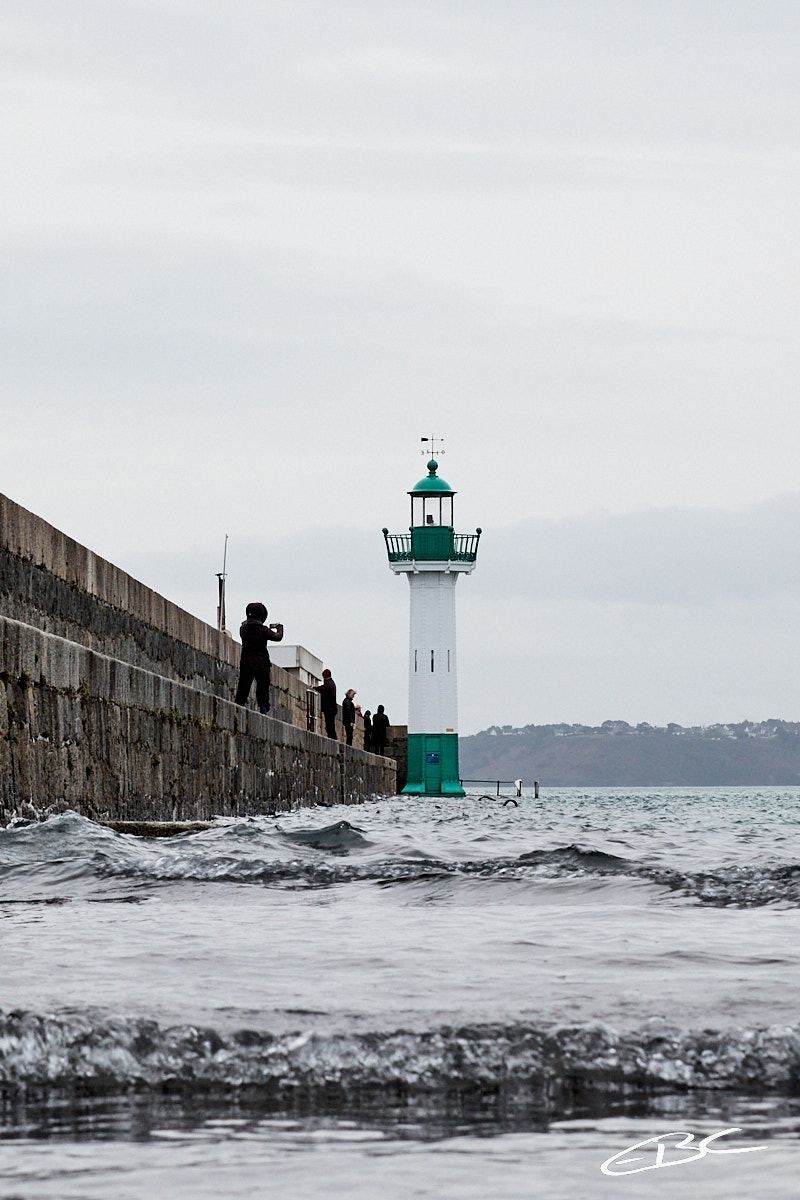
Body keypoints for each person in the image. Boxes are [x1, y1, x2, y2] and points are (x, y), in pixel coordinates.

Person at [235, 602, 283, 714]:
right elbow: (277, 637)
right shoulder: (263, 629)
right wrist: (280, 628)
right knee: (262, 687)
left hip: (246, 661)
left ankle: (238, 706)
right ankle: (263, 708)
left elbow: (244, 626)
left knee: (243, 686)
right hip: (261, 662)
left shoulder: (243, 628)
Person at [314, 669, 337, 739]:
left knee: (329, 725)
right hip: (331, 708)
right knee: (330, 725)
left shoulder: (329, 684)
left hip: (329, 708)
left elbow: (324, 688)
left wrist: (315, 688)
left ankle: (332, 738)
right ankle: (332, 738)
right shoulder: (331, 683)